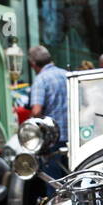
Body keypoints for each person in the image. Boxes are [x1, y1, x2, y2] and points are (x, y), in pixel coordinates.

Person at [28, 44, 70, 179]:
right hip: (73, 138)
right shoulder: (66, 74)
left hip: (53, 140)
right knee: (72, 178)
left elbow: (36, 112)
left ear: (33, 64)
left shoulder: (41, 79)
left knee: (54, 183)